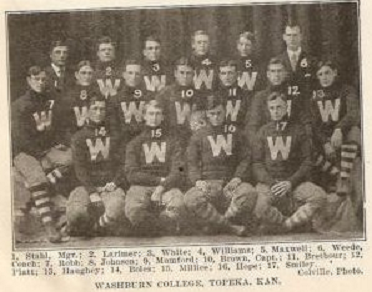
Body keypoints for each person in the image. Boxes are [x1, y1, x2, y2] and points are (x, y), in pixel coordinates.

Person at [12, 66, 72, 242]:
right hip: (25, 152)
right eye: (36, 79)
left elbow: (59, 126)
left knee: (72, 158)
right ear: (29, 80)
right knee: (37, 178)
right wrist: (41, 154)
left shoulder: (50, 100)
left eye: (43, 79)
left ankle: (34, 195)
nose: (40, 82)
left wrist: (60, 143)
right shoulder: (19, 105)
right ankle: (49, 226)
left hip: (46, 149)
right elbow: (19, 138)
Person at [252, 92, 326, 234]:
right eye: (272, 108)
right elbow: (257, 163)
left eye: (279, 107)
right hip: (270, 183)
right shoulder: (263, 131)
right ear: (268, 110)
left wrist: (291, 182)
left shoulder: (298, 130)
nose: (276, 111)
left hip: (294, 183)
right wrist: (271, 182)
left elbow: (308, 160)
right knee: (258, 206)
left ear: (286, 107)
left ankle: (286, 226)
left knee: (319, 196)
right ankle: (289, 222)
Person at [184, 96, 257, 236]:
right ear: (207, 114)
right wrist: (198, 181)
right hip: (208, 184)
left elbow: (246, 158)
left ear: (225, 112)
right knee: (190, 198)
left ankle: (220, 222)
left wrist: (237, 178)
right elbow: (191, 162)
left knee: (250, 193)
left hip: (230, 184)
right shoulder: (198, 136)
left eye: (219, 113)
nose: (216, 117)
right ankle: (230, 227)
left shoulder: (235, 133)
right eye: (212, 114)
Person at [310, 60, 362, 233]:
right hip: (325, 144)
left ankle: (344, 178)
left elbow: (354, 113)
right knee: (306, 144)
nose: (324, 77)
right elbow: (315, 124)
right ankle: (339, 176)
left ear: (335, 72)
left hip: (344, 140)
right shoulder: (315, 94)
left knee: (354, 131)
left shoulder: (346, 90)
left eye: (327, 73)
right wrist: (325, 142)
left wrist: (339, 129)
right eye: (320, 74)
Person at [67, 95, 129, 236]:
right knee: (75, 214)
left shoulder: (115, 135)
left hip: (109, 187)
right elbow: (80, 168)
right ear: (87, 111)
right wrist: (92, 191)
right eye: (94, 108)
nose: (98, 112)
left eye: (102, 109)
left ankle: (95, 228)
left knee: (116, 209)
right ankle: (81, 224)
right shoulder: (79, 137)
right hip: (86, 186)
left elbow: (123, 163)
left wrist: (115, 182)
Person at [124, 100, 188, 236]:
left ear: (163, 117)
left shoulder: (173, 141)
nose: (154, 117)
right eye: (151, 113)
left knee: (178, 204)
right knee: (133, 208)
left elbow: (179, 170)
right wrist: (159, 180)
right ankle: (151, 225)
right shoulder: (135, 143)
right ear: (144, 116)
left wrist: (162, 187)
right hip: (141, 186)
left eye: (158, 114)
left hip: (168, 186)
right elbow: (131, 174)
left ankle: (160, 224)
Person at [247, 57, 311, 144]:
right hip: (268, 143)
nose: (276, 75)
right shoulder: (260, 97)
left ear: (285, 73)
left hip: (292, 142)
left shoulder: (293, 95)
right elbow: (253, 126)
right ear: (268, 74)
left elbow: (305, 120)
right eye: (273, 71)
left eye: (279, 71)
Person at [156, 57, 204, 142]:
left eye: (188, 73)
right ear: (175, 73)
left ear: (193, 74)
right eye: (182, 73)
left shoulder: (199, 95)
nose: (185, 76)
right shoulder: (165, 93)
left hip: (192, 139)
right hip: (171, 139)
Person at [110, 59, 152, 143]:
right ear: (124, 75)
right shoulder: (116, 98)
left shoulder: (149, 96)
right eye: (130, 73)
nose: (134, 77)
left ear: (141, 75)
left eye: (137, 73)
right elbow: (114, 127)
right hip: (123, 141)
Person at [59, 60, 98, 146]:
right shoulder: (69, 95)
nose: (87, 76)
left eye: (89, 73)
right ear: (76, 75)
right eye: (83, 73)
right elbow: (64, 122)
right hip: (74, 137)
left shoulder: (98, 94)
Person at [216, 59, 250, 131]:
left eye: (230, 73)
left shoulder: (245, 95)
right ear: (219, 76)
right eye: (223, 73)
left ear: (237, 74)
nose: (227, 77)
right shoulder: (214, 95)